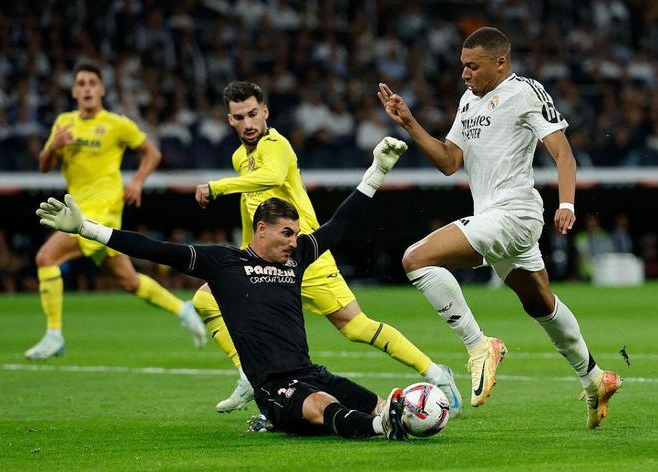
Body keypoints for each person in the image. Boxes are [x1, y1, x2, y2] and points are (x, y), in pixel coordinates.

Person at [36, 137, 413, 440]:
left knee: (377, 403)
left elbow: (339, 223)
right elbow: (154, 249)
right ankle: (382, 429)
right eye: (286, 233)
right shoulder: (223, 263)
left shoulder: (296, 257)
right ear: (261, 229)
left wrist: (377, 171)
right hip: (273, 388)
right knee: (323, 406)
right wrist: (86, 229)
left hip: (311, 372)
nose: (293, 241)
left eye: (295, 234)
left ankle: (398, 418)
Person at [377, 27, 621, 429]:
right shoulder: (467, 102)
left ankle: (479, 345)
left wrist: (566, 203)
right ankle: (594, 377)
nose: (465, 74)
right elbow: (449, 162)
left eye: (473, 66)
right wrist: (410, 123)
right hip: (495, 217)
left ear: (501, 62)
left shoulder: (525, 92)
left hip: (515, 213)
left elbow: (563, 153)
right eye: (463, 66)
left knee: (415, 259)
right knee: (540, 303)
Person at [193, 81, 462, 416]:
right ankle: (249, 374)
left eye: (252, 114)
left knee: (355, 327)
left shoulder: (276, 145)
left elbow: (270, 177)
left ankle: (436, 374)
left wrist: (217, 187)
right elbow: (251, 207)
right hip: (267, 260)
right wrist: (246, 252)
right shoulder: (239, 158)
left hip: (305, 255)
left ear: (265, 112)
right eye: (239, 117)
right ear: (230, 120)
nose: (248, 123)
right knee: (206, 298)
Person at [26, 62, 206, 360]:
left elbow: (152, 152)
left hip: (102, 210)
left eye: (92, 83)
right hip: (78, 205)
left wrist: (136, 181)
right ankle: (182, 308)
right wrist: (54, 145)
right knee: (128, 281)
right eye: (81, 83)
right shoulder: (64, 123)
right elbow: (44, 167)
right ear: (74, 91)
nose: (87, 88)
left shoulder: (116, 124)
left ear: (101, 90)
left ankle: (54, 334)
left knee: (46, 257)